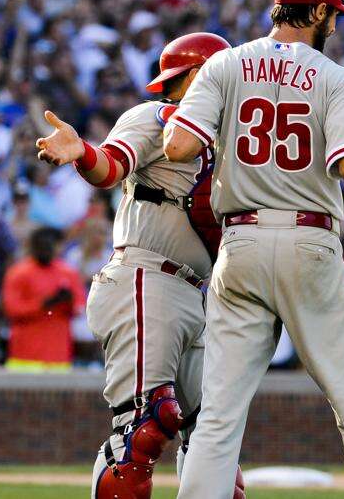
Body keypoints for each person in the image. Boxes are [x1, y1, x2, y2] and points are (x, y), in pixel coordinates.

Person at [163, 0, 344, 499]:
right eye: (333, 13)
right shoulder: (334, 77)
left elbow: (178, 147)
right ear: (316, 12)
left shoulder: (224, 64)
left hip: (239, 243)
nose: (335, 23)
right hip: (307, 240)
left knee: (219, 420)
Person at [35, 33, 243, 499]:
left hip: (199, 292)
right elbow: (111, 167)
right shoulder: (155, 117)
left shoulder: (228, 137)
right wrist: (81, 153)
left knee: (216, 439)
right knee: (145, 423)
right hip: (147, 278)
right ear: (196, 76)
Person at [1, 227, 85, 371]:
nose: (45, 249)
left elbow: (80, 308)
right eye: (41, 245)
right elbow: (11, 309)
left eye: (48, 245)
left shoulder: (68, 272)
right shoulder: (18, 272)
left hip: (58, 355)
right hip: (24, 357)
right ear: (32, 247)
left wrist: (68, 301)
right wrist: (44, 304)